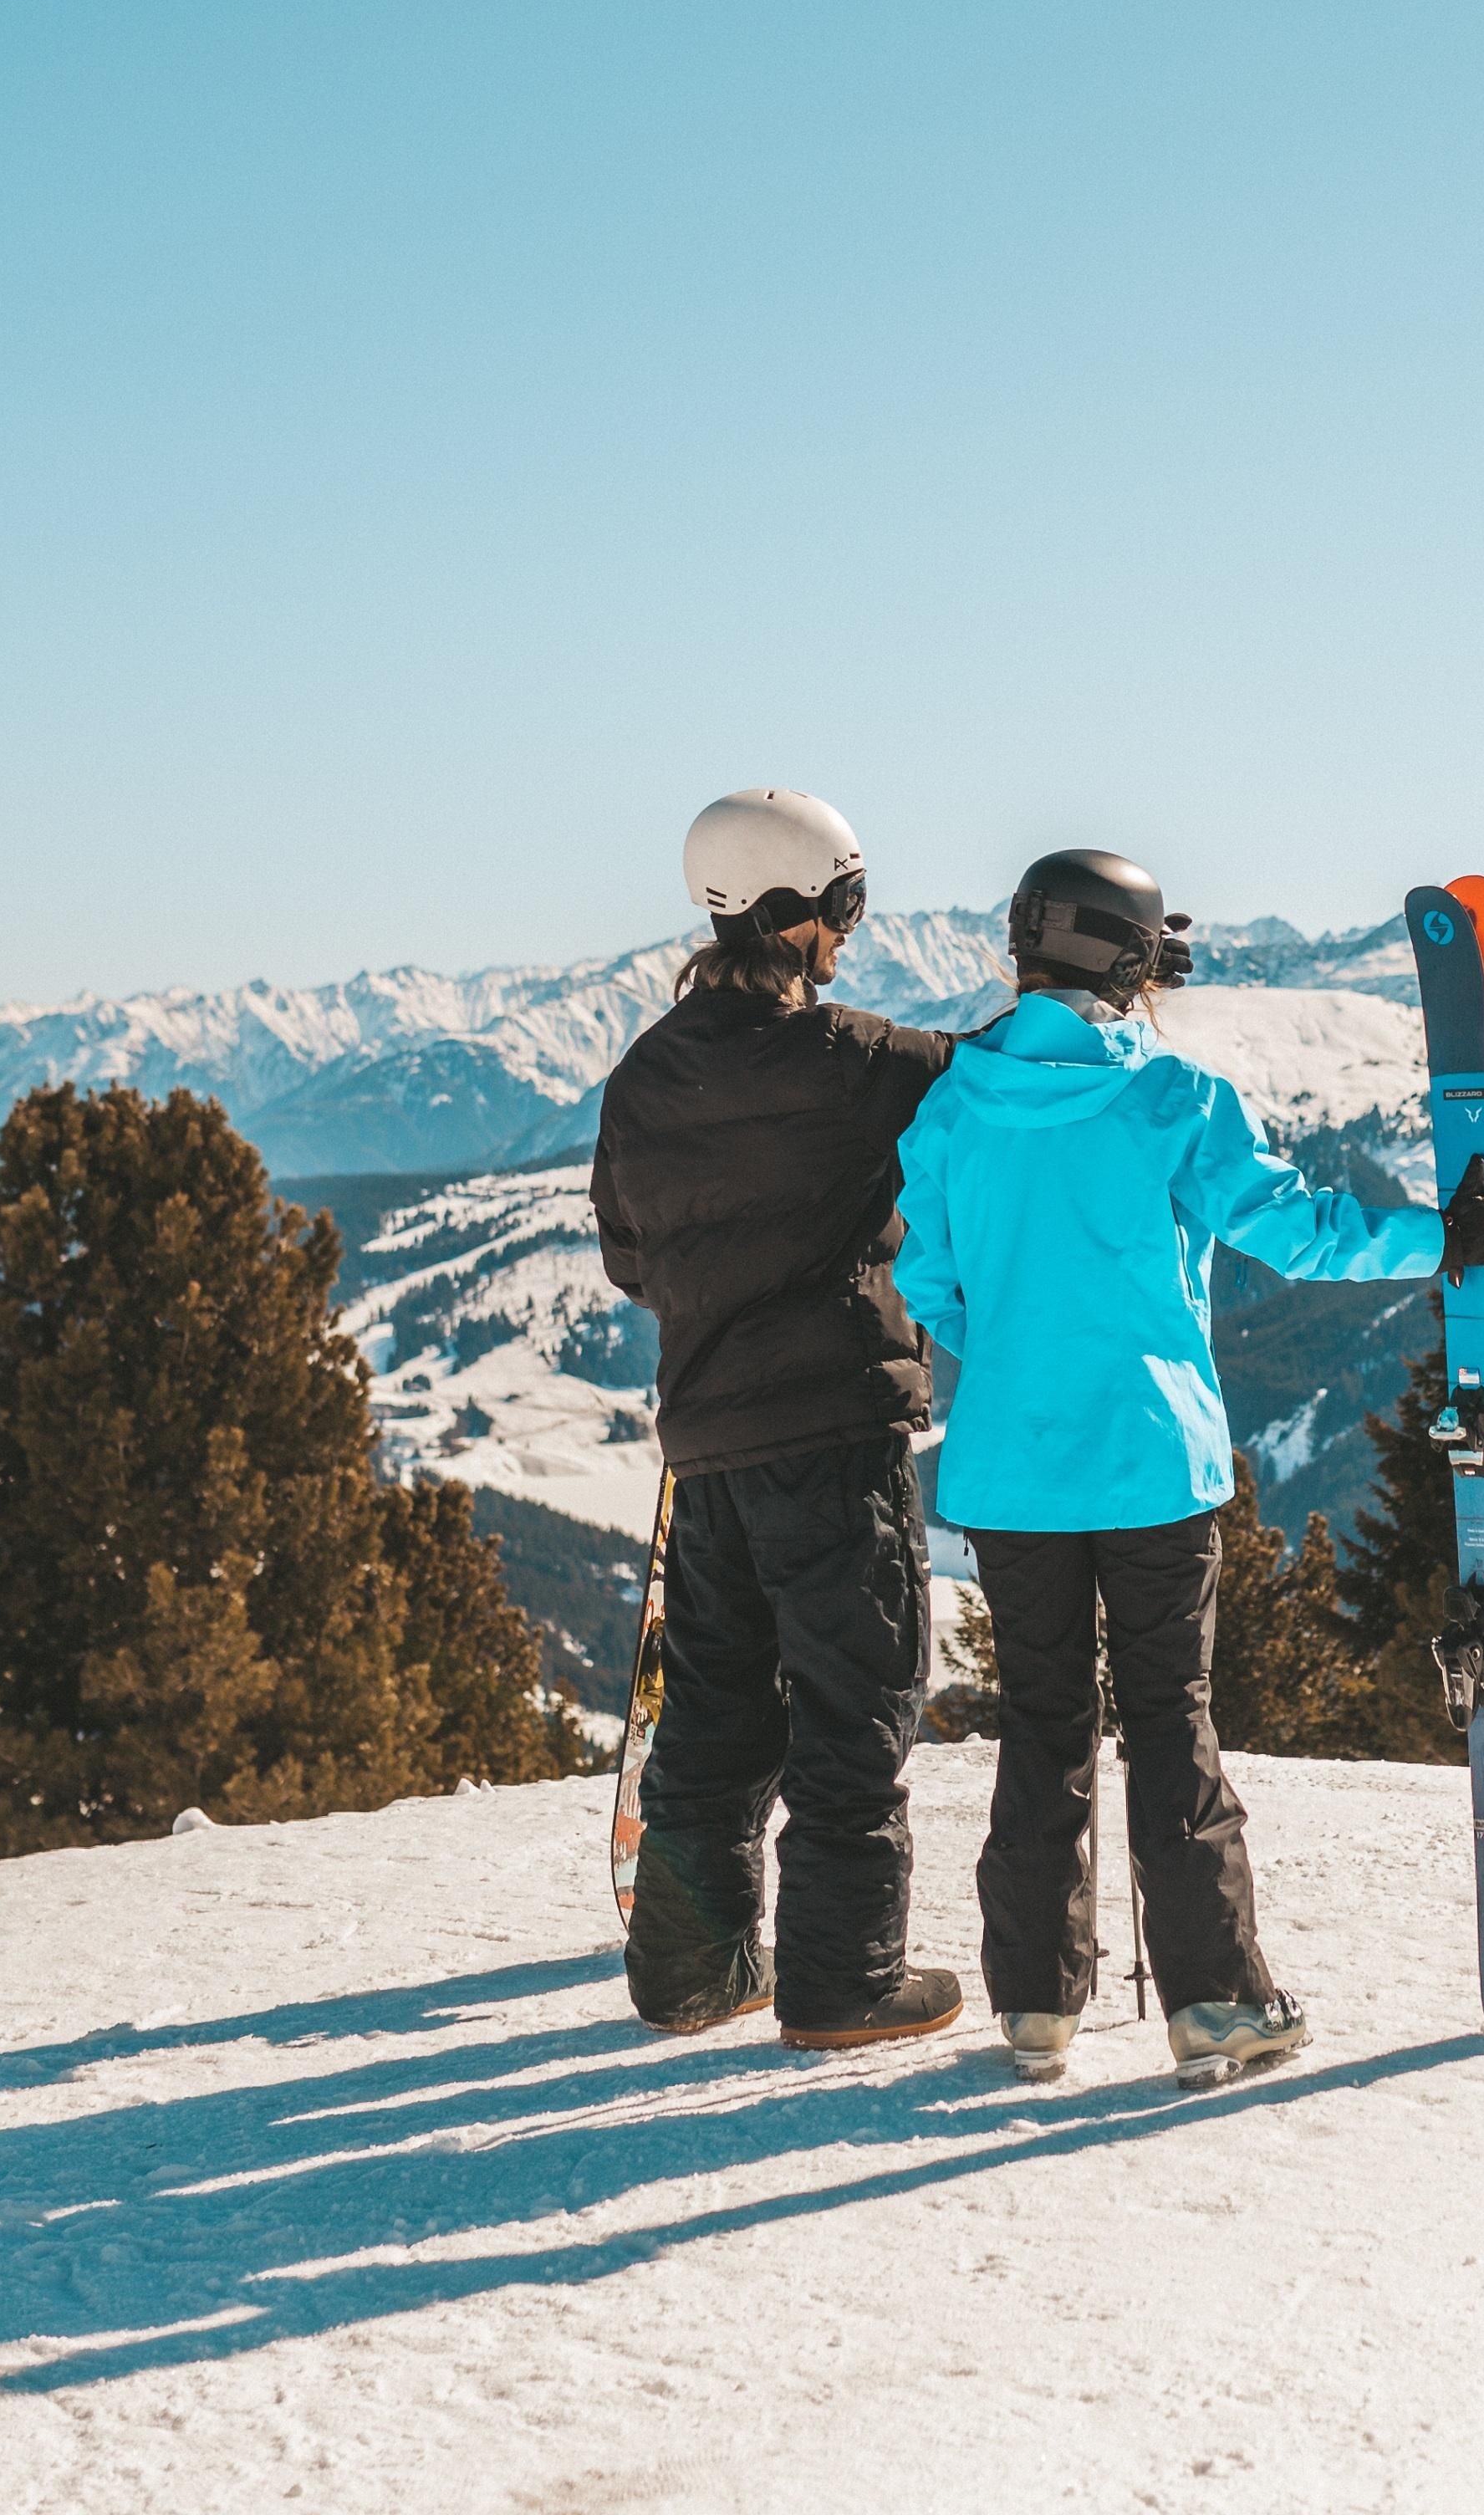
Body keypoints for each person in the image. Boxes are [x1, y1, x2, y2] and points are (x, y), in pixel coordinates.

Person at [892, 847, 1484, 2085]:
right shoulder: (1171, 1099)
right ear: (1130, 962)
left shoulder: (952, 1107)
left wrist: (1024, 1363)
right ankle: (1216, 2007)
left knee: (1041, 1729)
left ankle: (1033, 2007)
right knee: (1171, 1726)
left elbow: (931, 1287)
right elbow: (1295, 1230)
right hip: (1151, 1469)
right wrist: (1445, 1239)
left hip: (1012, 1477)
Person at [592, 787, 964, 2050]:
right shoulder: (854, 1064)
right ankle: (843, 1981)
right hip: (833, 1434)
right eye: (845, 907)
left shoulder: (644, 1075)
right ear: (793, 913)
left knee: (713, 1712)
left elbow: (630, 1261)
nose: (851, 935)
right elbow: (994, 1088)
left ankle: (692, 1973)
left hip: (707, 1450)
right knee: (856, 1706)